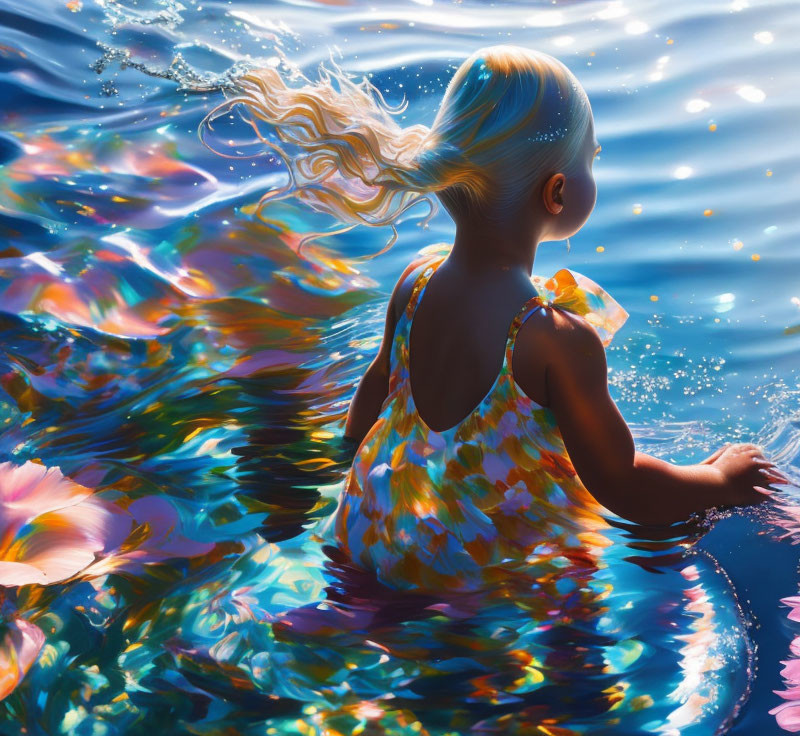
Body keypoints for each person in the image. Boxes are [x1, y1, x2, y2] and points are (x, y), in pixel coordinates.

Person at [206, 44, 789, 594]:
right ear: (557, 193)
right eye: (591, 161)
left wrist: (347, 465)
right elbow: (622, 483)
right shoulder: (554, 340)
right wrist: (720, 480)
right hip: (468, 566)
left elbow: (375, 392)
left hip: (368, 523)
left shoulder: (415, 280)